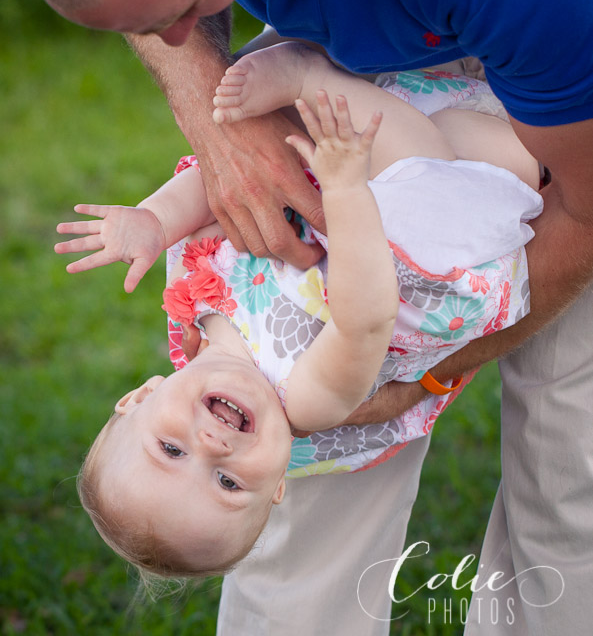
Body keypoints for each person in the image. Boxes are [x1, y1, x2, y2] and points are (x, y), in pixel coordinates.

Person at [2, 0, 593, 636]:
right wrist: (215, 122)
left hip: (543, 71)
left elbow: (584, 206)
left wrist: (437, 361)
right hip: (357, 99)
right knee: (301, 522)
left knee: (574, 465)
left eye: (184, 5)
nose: (167, 41)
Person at [56, 49, 541, 582]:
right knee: (426, 191)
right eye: (228, 485)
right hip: (425, 225)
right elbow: (366, 318)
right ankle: (309, 76)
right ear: (277, 486)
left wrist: (155, 219)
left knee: (257, 178)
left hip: (365, 152)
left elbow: (223, 195)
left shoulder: (196, 309)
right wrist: (344, 192)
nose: (212, 448)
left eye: (172, 449)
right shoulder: (307, 400)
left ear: (140, 397)